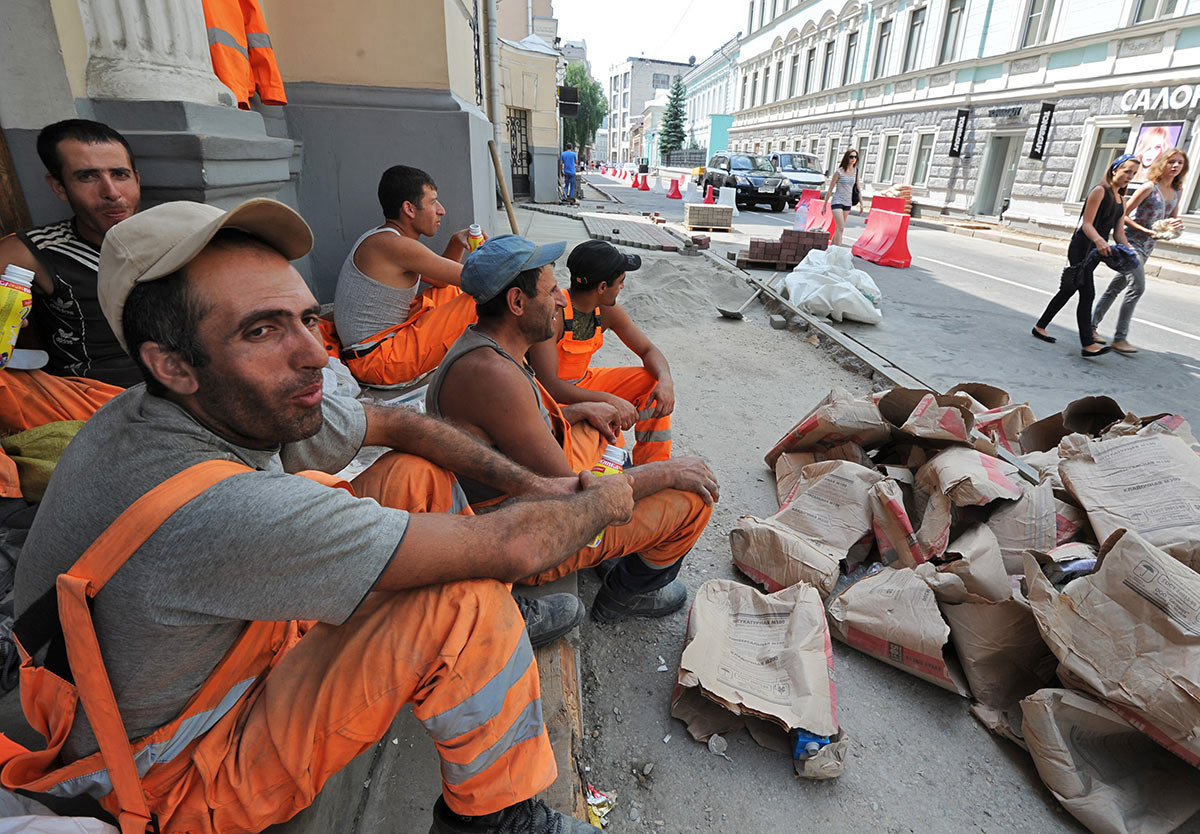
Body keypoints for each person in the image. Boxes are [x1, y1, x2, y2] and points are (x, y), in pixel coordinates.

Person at [10, 199, 632, 834]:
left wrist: (537, 484)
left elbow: (394, 422)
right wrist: (600, 499)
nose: (314, 354)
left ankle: (497, 630)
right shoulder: (219, 510)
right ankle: (496, 819)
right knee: (463, 604)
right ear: (171, 362)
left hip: (200, 658)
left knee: (415, 475)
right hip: (180, 770)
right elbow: (515, 549)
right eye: (262, 330)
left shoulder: (187, 403)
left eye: (307, 318)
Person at [427, 234, 718, 622]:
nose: (563, 300)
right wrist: (667, 471)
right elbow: (572, 497)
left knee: (603, 427)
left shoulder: (488, 351)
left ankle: (616, 536)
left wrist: (580, 410)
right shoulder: (493, 375)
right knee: (695, 501)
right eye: (550, 291)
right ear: (516, 303)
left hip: (523, 503)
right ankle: (627, 594)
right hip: (527, 537)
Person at [0, 119, 143, 387]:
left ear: (137, 179)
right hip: (91, 402)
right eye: (87, 176)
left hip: (184, 390)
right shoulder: (33, 252)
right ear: (59, 187)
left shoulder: (174, 237)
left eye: (120, 175)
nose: (111, 193)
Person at [527, 240, 674, 465]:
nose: (623, 287)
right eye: (621, 282)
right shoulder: (554, 315)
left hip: (584, 382)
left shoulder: (607, 310)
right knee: (603, 433)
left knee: (651, 381)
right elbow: (550, 384)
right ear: (602, 287)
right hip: (552, 398)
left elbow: (647, 350)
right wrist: (608, 400)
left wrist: (665, 380)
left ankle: (654, 465)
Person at [330, 165, 477, 386]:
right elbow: (481, 278)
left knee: (451, 291)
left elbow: (441, 281)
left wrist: (456, 242)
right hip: (378, 361)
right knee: (481, 300)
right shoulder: (396, 245)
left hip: (375, 350)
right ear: (409, 209)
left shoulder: (383, 238)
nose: (441, 210)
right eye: (432, 202)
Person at [1033, 154, 1141, 357]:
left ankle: (1040, 326)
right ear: (1114, 169)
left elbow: (1118, 233)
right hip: (1082, 247)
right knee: (1087, 294)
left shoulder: (1122, 199)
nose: (1130, 176)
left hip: (1095, 252)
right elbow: (1087, 224)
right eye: (1127, 171)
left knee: (1068, 290)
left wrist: (1129, 253)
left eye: (1134, 173)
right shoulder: (1100, 191)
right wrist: (1100, 240)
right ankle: (1087, 344)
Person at [1092, 148, 1188, 354]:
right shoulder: (1148, 188)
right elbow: (1123, 216)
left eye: (1180, 163)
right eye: (1172, 162)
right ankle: (1120, 338)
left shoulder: (1177, 191)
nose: (1176, 166)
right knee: (1137, 287)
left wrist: (1175, 226)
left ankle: (1091, 326)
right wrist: (1145, 230)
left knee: (1115, 288)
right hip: (1131, 244)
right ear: (1163, 164)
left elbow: (1170, 219)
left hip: (1148, 247)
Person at [823, 149, 859, 246]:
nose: (853, 159)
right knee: (841, 227)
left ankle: (831, 250)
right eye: (851, 157)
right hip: (837, 201)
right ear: (847, 158)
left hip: (848, 202)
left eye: (855, 157)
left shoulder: (856, 172)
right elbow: (830, 190)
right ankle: (838, 251)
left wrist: (862, 204)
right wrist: (824, 205)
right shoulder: (839, 172)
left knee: (838, 229)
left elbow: (858, 188)